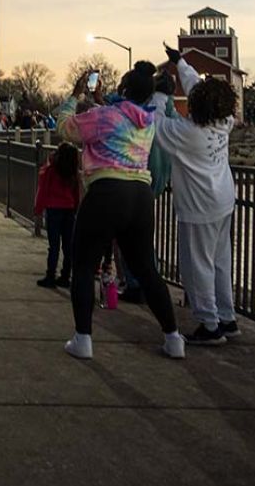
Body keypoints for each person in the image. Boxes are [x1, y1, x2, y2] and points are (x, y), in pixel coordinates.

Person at [57, 62, 185, 361]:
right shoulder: (147, 120)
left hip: (105, 192)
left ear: (124, 90)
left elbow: (65, 128)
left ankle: (83, 339)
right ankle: (173, 337)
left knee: (84, 264)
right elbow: (120, 117)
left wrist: (74, 97)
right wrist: (102, 100)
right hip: (140, 197)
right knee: (146, 269)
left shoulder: (104, 117)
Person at [151, 44, 238, 345]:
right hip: (224, 201)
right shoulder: (224, 122)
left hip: (199, 208)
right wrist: (181, 63)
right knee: (220, 262)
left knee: (197, 265)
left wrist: (162, 92)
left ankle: (209, 325)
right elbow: (199, 90)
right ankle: (227, 317)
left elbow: (153, 123)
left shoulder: (187, 134)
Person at [34, 142, 80, 288]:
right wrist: (76, 208)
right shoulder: (73, 172)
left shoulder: (51, 169)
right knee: (68, 246)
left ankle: (50, 276)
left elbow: (43, 190)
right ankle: (66, 276)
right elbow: (76, 193)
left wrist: (38, 209)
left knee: (54, 246)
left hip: (53, 209)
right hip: (69, 209)